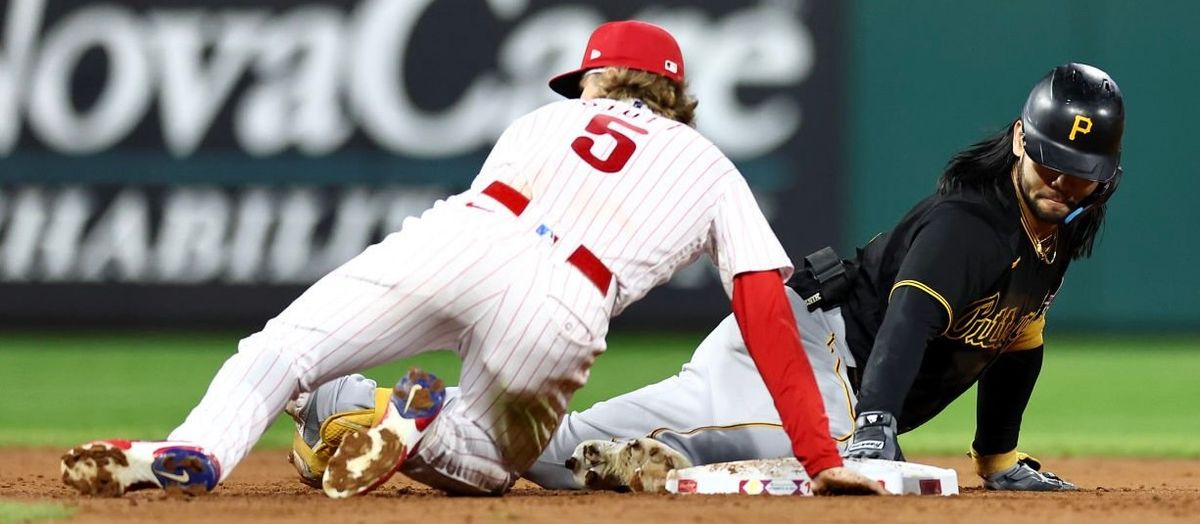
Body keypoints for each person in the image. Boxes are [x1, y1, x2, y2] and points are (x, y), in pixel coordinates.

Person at [60, 20, 884, 498]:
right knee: (489, 467)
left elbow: (492, 239)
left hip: (464, 237)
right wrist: (821, 457)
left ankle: (199, 451)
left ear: (599, 83)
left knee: (280, 352)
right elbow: (765, 311)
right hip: (566, 299)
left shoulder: (535, 123)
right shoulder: (709, 165)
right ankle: (414, 426)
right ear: (676, 97)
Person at [293, 62, 1122, 493]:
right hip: (809, 354)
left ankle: (660, 459)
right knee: (843, 472)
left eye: (1081, 173)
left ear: (1104, 176)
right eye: (1051, 162)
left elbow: (1017, 342)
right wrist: (870, 429)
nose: (1062, 182)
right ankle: (345, 403)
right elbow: (907, 320)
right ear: (1020, 140)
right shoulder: (968, 225)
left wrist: (998, 455)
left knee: (602, 441)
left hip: (819, 363)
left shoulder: (1047, 236)